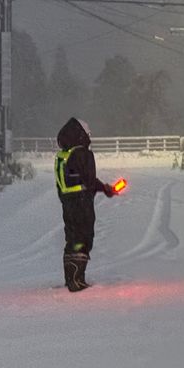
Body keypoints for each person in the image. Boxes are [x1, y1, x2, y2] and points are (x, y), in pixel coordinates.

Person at [55, 117, 116, 292]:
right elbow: (88, 180)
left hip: (68, 203)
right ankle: (77, 280)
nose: (89, 138)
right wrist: (105, 188)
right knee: (83, 238)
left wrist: (103, 188)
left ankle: (71, 278)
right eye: (88, 134)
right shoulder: (83, 154)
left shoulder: (63, 155)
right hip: (82, 203)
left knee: (72, 238)